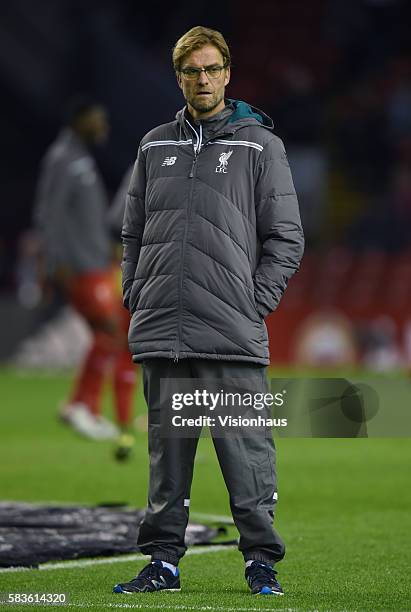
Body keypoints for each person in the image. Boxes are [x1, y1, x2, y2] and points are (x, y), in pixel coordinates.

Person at [113, 26, 304, 596]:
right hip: (163, 332)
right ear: (180, 78)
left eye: (211, 68)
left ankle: (260, 562)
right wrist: (136, 291)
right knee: (166, 466)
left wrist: (254, 302)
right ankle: (164, 563)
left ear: (228, 73)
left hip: (230, 332)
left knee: (247, 457)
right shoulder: (153, 145)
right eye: (191, 70)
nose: (203, 79)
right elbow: (133, 231)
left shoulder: (259, 146)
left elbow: (287, 237)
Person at [34, 97, 136, 457]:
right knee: (109, 330)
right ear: (79, 120)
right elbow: (49, 212)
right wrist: (54, 261)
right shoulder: (62, 158)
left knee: (106, 333)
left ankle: (81, 406)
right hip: (78, 265)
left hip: (93, 261)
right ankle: (81, 406)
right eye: (97, 120)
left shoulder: (78, 158)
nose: (103, 127)